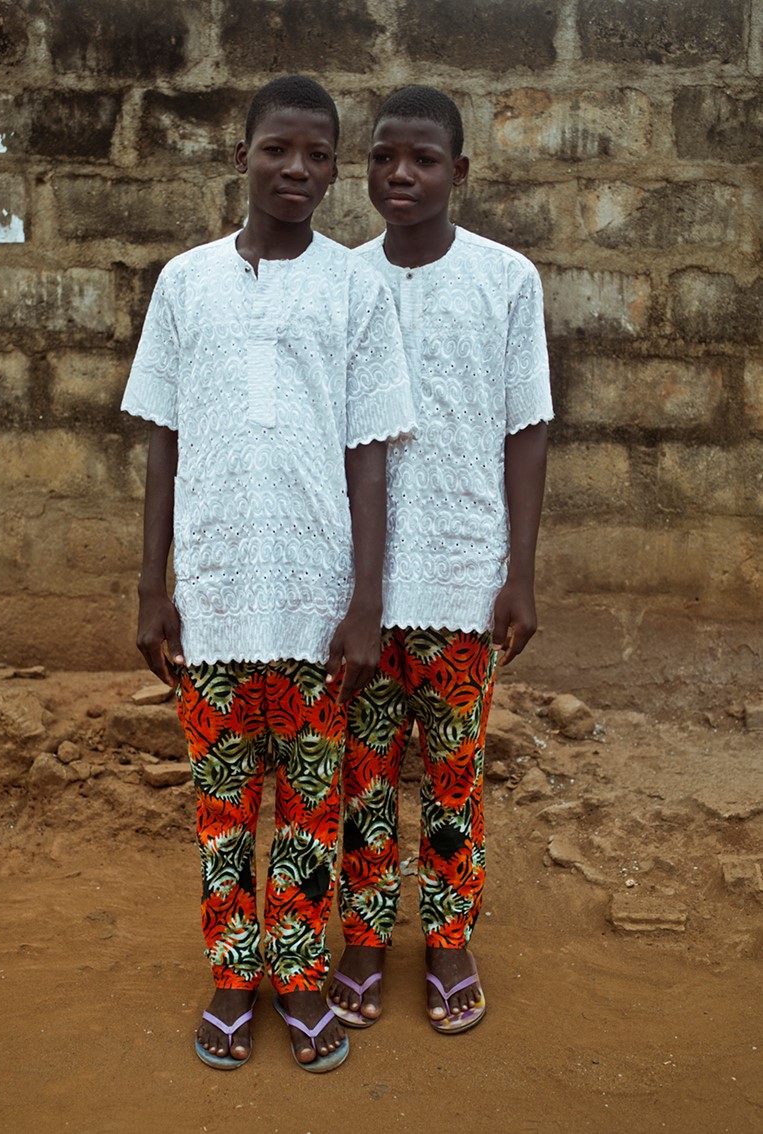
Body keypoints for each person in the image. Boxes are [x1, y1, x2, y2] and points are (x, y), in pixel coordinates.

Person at [121, 75, 415, 1072]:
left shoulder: (356, 289)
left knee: (309, 807)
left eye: (317, 155)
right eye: (277, 149)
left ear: (334, 170)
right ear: (239, 154)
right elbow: (162, 442)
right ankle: (230, 974)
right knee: (220, 810)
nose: (297, 168)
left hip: (313, 605)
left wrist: (366, 602)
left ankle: (296, 976)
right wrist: (152, 588)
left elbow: (369, 456)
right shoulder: (185, 283)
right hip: (209, 598)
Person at [328, 86, 553, 1034]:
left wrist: (519, 573)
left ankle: (449, 937)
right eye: (383, 157)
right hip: (355, 588)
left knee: (454, 771)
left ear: (458, 171)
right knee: (363, 770)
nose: (400, 175)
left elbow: (525, 429)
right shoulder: (339, 279)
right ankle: (365, 936)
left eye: (422, 159)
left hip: (462, 575)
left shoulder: (506, 280)